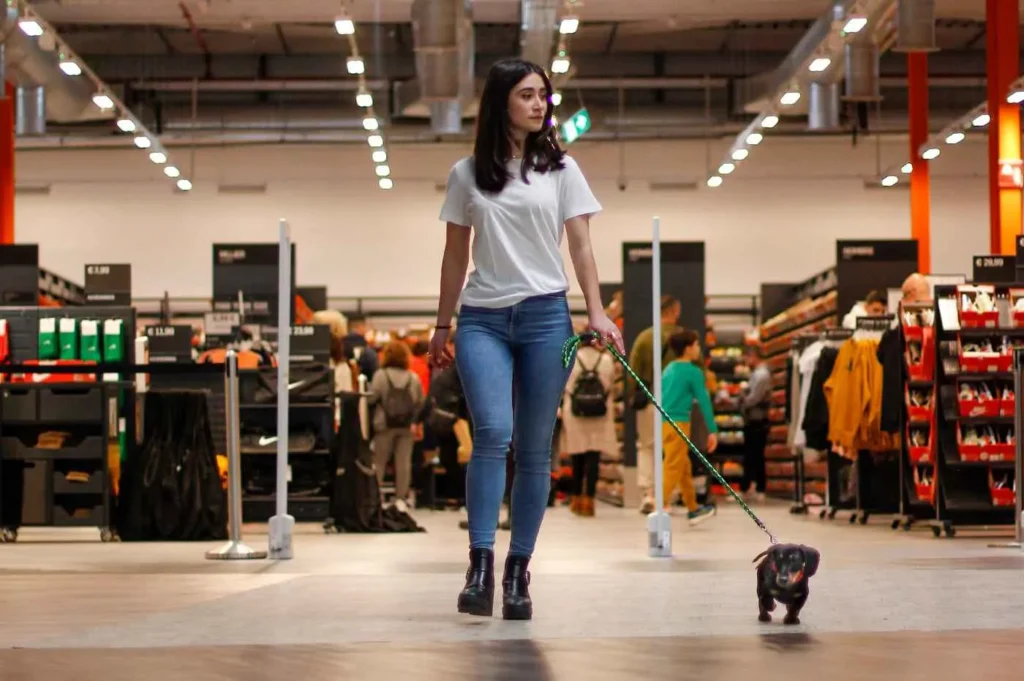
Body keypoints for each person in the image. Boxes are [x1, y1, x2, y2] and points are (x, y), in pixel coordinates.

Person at [428, 57, 622, 621]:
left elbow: (581, 248)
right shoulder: (466, 174)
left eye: (544, 95)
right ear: (501, 104)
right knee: (491, 432)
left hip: (547, 320)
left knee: (536, 449)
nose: (540, 104)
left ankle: (519, 573)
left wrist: (598, 312)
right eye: (528, 95)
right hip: (483, 317)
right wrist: (443, 323)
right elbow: (454, 256)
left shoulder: (562, 169)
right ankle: (480, 564)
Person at [627, 295, 683, 513]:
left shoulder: (644, 338)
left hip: (650, 400)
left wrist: (635, 394)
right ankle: (669, 495)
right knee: (672, 450)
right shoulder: (683, 338)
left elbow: (632, 372)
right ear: (674, 311)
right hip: (676, 404)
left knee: (647, 447)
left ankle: (647, 494)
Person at [660, 330, 718, 525]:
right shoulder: (693, 371)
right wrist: (712, 430)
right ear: (687, 348)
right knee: (673, 465)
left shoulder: (668, 369)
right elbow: (704, 400)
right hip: (680, 423)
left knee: (683, 465)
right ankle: (658, 505)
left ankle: (693, 508)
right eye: (696, 345)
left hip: (664, 422)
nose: (698, 349)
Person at [560, 331, 616, 517]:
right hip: (599, 413)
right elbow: (610, 385)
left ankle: (576, 498)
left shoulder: (571, 359)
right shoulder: (606, 360)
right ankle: (589, 501)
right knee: (594, 455)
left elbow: (565, 385)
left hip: (575, 412)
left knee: (577, 455)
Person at [370, 341, 425, 512]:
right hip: (407, 426)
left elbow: (371, 398)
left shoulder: (381, 375)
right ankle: (401, 499)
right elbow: (420, 402)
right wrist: (416, 423)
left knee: (379, 461)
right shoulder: (412, 377)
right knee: (403, 463)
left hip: (384, 425)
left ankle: (375, 496)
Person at [739, 345, 770, 501]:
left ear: (753, 356)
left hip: (757, 420)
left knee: (755, 455)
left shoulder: (761, 375)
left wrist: (741, 400)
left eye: (747, 357)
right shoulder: (757, 374)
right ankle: (752, 487)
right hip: (754, 419)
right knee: (752, 454)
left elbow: (754, 398)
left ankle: (759, 488)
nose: (746, 361)